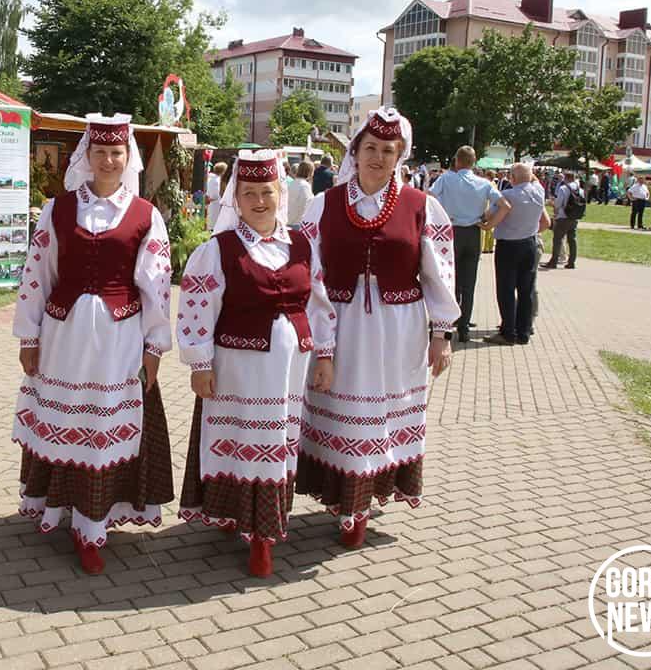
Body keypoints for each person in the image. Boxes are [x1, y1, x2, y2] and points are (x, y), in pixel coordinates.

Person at [11, 114, 174, 574]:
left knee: (103, 426)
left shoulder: (145, 214)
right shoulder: (57, 210)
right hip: (63, 336)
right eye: (100, 152)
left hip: (119, 340)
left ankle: (92, 524)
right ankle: (64, 507)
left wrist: (154, 348)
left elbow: (157, 287)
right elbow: (37, 275)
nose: (108, 160)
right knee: (68, 421)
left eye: (116, 152)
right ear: (87, 155)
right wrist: (28, 336)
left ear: (127, 157)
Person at [297, 107, 458, 549]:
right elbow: (307, 272)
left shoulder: (422, 206)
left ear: (399, 155)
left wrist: (442, 334)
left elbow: (439, 275)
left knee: (384, 414)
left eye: (388, 150)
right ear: (355, 151)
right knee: (343, 411)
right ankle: (347, 503)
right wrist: (313, 337)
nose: (378, 157)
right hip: (340, 325)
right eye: (370, 147)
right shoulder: (324, 204)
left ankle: (363, 505)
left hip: (398, 330)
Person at [176, 149, 334, 577]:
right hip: (239, 370)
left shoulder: (302, 245)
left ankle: (265, 531)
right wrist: (200, 363)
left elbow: (319, 305)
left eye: (267, 192)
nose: (259, 201)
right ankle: (247, 527)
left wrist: (324, 354)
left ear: (280, 193)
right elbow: (196, 307)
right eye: (249, 193)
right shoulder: (219, 249)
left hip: (289, 372)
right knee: (242, 440)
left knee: (277, 441)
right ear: (237, 198)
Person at [429, 146, 510, 342]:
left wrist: (440, 216)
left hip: (451, 231)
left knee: (449, 279)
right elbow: (504, 205)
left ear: (457, 161)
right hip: (473, 232)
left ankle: (448, 322)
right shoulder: (484, 183)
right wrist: (489, 224)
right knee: (469, 282)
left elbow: (429, 197)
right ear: (474, 163)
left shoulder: (446, 179)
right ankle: (464, 327)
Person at [484, 163, 549, 346]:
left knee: (506, 289)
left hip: (508, 245)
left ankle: (508, 331)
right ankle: (524, 331)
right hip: (529, 242)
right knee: (526, 290)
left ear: (512, 178)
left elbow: (490, 215)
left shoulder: (508, 195)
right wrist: (527, 174)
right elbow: (533, 180)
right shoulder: (539, 192)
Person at [542, 172, 583, 269]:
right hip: (574, 216)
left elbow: (558, 204)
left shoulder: (563, 188)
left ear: (566, 178)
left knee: (557, 239)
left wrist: (552, 203)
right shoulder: (580, 190)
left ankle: (554, 261)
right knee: (572, 240)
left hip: (563, 217)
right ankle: (571, 262)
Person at [286, 160, 315, 225]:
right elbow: (306, 206)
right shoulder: (305, 186)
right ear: (310, 172)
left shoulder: (292, 183)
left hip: (289, 220)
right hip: (297, 223)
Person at [206, 162, 227, 230]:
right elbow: (215, 194)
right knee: (214, 222)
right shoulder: (216, 180)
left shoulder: (211, 178)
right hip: (215, 204)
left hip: (212, 203)